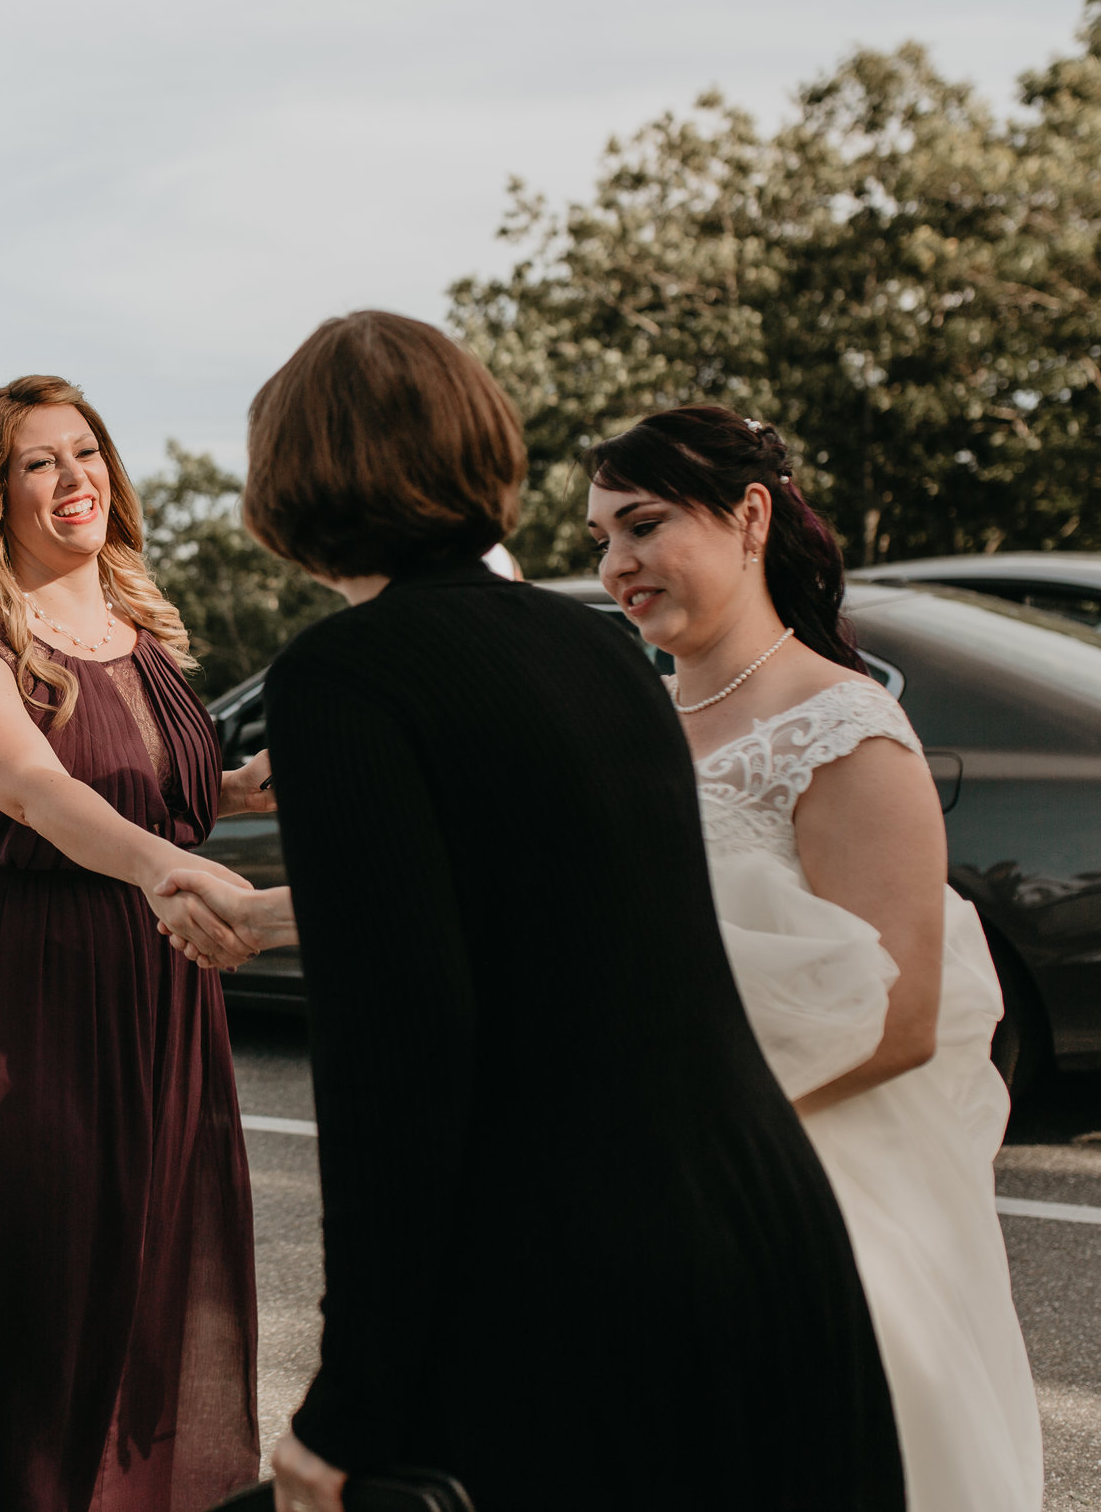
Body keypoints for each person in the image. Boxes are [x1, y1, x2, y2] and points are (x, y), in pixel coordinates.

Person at [160, 311, 903, 1512]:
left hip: (576, 1284)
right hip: (765, 1230)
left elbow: (395, 1060)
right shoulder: (598, 647)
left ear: (285, 482)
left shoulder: (343, 677)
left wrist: (347, 1404)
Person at [586, 405, 1041, 1511]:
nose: (616, 566)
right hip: (654, 1183)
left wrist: (695, 1137)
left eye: (642, 526)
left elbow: (900, 1018)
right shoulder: (632, 718)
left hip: (809, 1188)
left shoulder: (845, 729)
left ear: (747, 517)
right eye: (600, 539)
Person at [0, 374, 272, 1511]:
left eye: (85, 451)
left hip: (157, 975)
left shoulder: (136, 626)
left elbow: (143, 784)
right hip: (26, 981)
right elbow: (36, 788)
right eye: (38, 460)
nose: (73, 478)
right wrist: (167, 866)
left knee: (146, 1260)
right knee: (41, 1271)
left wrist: (238, 792)